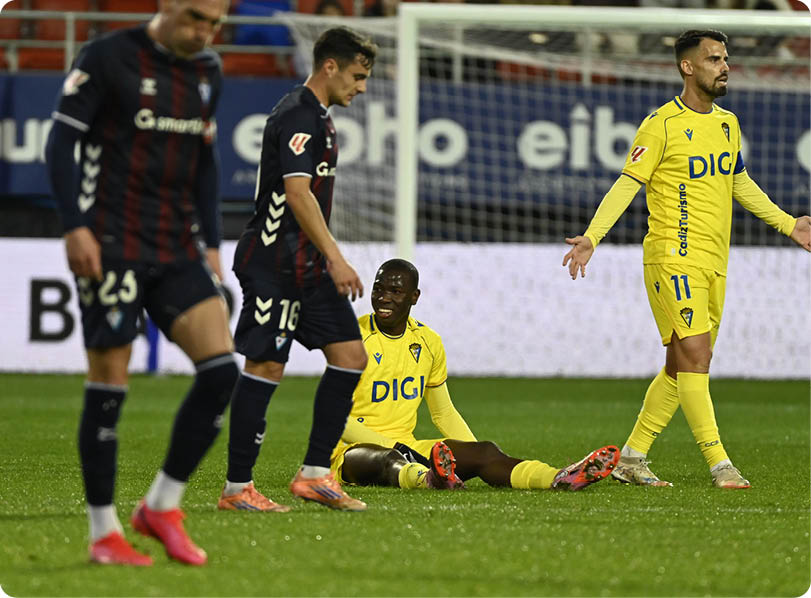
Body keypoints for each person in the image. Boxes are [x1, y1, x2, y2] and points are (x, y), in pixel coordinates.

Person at [562, 29, 811, 489]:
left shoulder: (727, 124)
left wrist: (787, 222)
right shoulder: (660, 124)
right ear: (688, 67)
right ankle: (720, 464)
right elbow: (628, 183)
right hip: (671, 258)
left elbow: (738, 181)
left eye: (726, 58)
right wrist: (592, 237)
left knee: (682, 363)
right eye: (714, 59)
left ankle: (631, 458)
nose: (725, 66)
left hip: (715, 261)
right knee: (696, 355)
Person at [45, 0, 236, 567]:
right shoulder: (107, 57)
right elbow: (61, 143)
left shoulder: (209, 72)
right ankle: (104, 532)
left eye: (215, 24)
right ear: (169, 5)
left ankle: (160, 506)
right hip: (111, 242)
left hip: (176, 245)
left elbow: (206, 162)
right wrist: (75, 226)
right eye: (197, 18)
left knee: (222, 371)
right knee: (110, 381)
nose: (205, 32)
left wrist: (210, 243)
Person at [217, 27, 377, 513]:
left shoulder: (322, 119)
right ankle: (236, 489)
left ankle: (313, 475)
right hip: (273, 263)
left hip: (304, 265)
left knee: (350, 356)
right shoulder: (297, 114)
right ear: (330, 66)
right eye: (358, 75)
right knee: (266, 365)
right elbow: (297, 193)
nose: (362, 87)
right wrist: (336, 256)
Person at [330, 259, 620, 493]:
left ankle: (556, 478)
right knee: (387, 460)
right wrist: (396, 447)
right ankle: (428, 479)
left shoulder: (428, 341)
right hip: (351, 452)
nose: (384, 298)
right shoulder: (352, 339)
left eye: (395, 292)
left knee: (485, 451)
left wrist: (467, 452)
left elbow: (443, 412)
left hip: (409, 446)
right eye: (379, 290)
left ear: (414, 297)